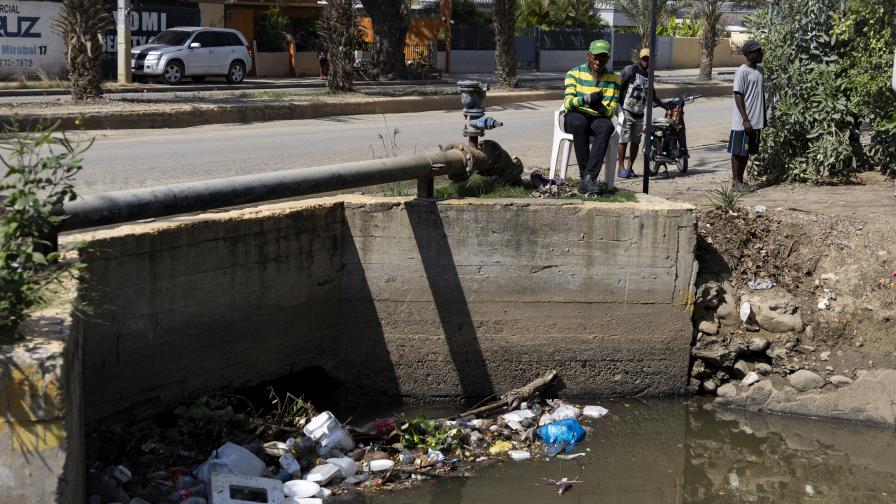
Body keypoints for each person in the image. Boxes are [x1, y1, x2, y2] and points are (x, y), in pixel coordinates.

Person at [563, 39, 621, 194]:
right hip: (576, 114)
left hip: (598, 116)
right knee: (579, 123)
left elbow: (611, 112)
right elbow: (568, 103)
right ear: (588, 55)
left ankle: (588, 178)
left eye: (602, 58)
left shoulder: (614, 79)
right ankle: (586, 177)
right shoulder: (574, 73)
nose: (598, 62)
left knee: (606, 126)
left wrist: (600, 107)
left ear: (607, 59)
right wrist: (586, 99)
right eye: (595, 57)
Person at [616, 48, 668, 179]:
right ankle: (620, 168)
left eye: (649, 59)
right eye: (644, 58)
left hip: (639, 114)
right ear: (639, 59)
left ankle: (630, 168)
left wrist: (665, 106)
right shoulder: (630, 70)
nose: (646, 61)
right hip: (626, 111)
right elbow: (617, 85)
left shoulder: (649, 77)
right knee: (623, 140)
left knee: (635, 141)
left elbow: (653, 96)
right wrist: (616, 106)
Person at [728, 39, 767, 191]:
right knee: (738, 152)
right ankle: (736, 182)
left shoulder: (760, 71)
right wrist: (745, 119)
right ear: (749, 55)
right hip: (743, 122)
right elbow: (738, 95)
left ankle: (740, 182)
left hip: (755, 121)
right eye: (758, 51)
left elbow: (760, 96)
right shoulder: (742, 71)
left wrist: (763, 118)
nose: (761, 53)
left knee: (746, 153)